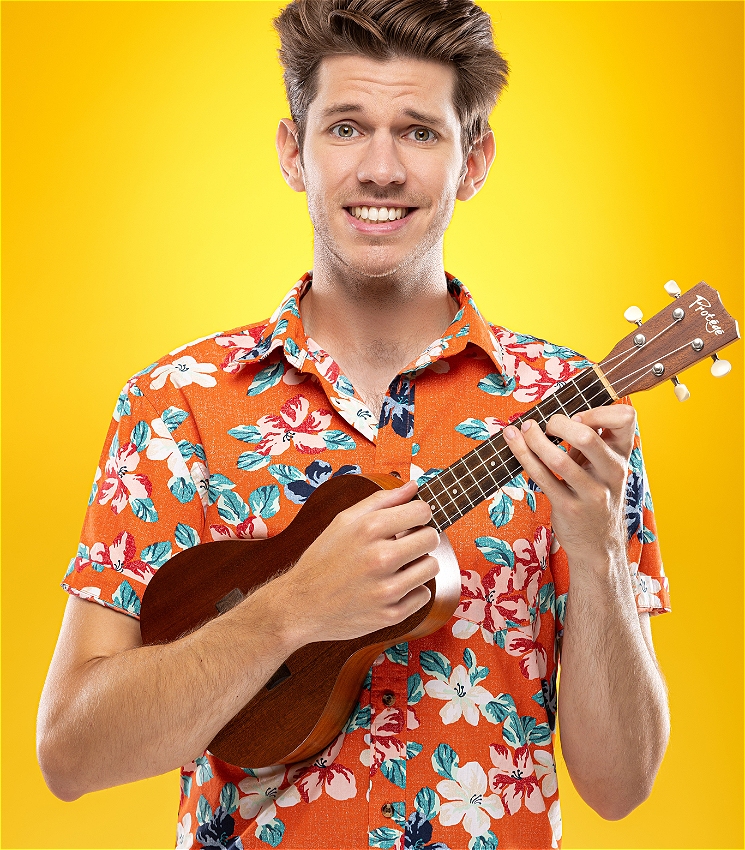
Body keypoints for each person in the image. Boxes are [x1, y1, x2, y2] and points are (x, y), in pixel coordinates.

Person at [37, 1, 670, 847]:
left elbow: (620, 786)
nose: (379, 169)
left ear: (472, 160)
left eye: (417, 132)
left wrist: (592, 550)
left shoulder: (570, 414)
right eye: (344, 127)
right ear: (292, 153)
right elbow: (71, 756)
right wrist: (293, 607)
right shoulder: (175, 403)